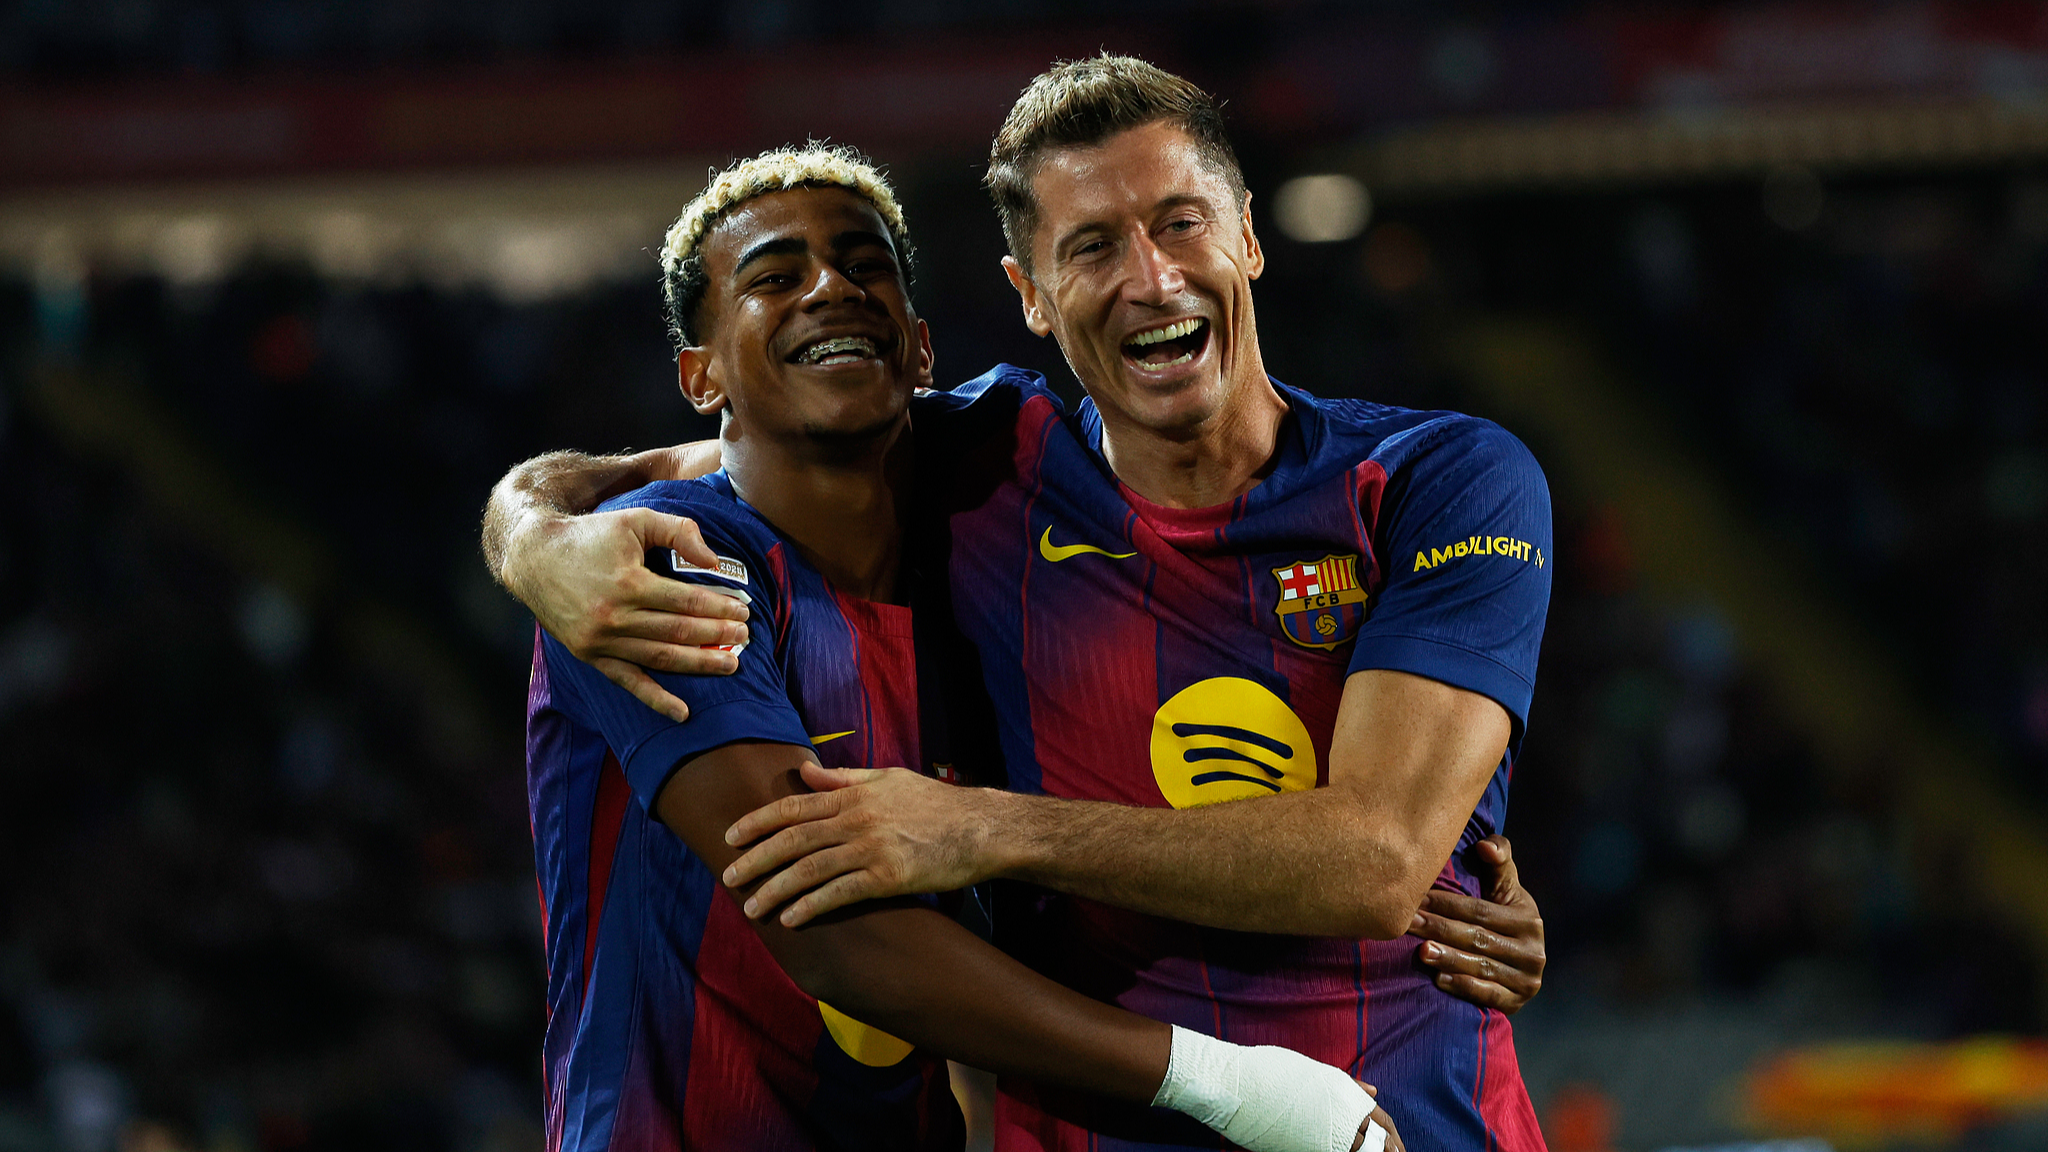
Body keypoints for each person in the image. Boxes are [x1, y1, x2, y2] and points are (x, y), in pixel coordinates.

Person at [491, 56, 1552, 1150]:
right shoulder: (971, 476)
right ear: (1029, 296)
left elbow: (1379, 863)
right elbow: (745, 445)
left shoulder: (1437, 478)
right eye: (1091, 245)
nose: (1150, 277)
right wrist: (530, 528)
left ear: (1245, 234)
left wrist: (980, 833)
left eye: (1180, 223)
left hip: (1419, 1125)